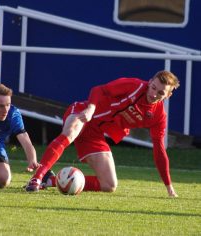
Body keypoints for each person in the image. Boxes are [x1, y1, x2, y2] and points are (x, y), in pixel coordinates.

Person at [25, 70, 180, 197]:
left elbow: (159, 150)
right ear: (150, 81)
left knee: (109, 184)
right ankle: (37, 177)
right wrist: (91, 108)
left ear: (168, 95)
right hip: (83, 112)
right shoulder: (134, 85)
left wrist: (169, 186)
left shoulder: (159, 117)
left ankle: (50, 180)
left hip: (96, 132)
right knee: (70, 133)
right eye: (153, 87)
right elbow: (99, 90)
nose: (153, 94)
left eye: (160, 93)